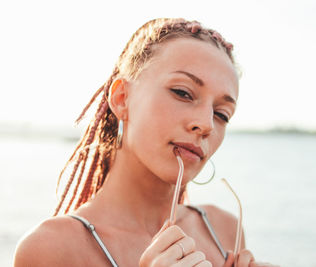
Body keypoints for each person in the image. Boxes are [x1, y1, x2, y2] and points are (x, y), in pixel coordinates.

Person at [13, 18, 278, 267]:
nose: (207, 124)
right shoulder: (51, 249)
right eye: (183, 93)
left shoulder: (224, 230)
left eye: (221, 114)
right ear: (121, 98)